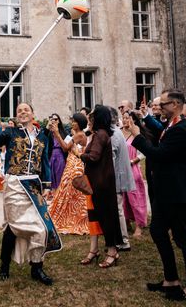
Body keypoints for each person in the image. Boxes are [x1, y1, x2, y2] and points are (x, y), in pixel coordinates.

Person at [128, 89, 186, 301]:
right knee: (159, 231)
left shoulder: (181, 130)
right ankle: (171, 279)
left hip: (178, 193)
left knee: (184, 239)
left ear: (176, 105)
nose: (160, 107)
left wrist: (137, 136)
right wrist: (145, 120)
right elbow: (161, 130)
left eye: (164, 104)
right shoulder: (172, 125)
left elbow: (159, 154)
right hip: (165, 192)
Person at [0, 103, 61, 285]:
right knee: (13, 227)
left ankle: (36, 267)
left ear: (33, 114)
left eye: (26, 110)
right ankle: (4, 265)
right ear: (16, 116)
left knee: (42, 226)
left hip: (34, 187)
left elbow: (45, 161)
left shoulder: (42, 137)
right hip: (14, 184)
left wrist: (47, 185)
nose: (23, 112)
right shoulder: (11, 132)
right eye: (19, 111)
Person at [80, 105, 122, 268]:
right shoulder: (102, 134)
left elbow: (93, 157)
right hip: (102, 181)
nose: (90, 119)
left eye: (92, 117)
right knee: (101, 216)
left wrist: (81, 155)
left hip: (101, 183)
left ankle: (112, 251)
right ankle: (96, 250)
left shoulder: (100, 135)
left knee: (106, 217)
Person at [48, 113, 89, 236]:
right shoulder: (77, 134)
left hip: (75, 166)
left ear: (79, 123)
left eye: (74, 121)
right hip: (72, 164)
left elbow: (65, 147)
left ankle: (70, 217)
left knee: (69, 191)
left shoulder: (80, 135)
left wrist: (56, 133)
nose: (72, 123)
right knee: (68, 192)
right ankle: (70, 215)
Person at [109, 107, 135, 252]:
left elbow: (111, 159)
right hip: (119, 176)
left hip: (116, 177)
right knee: (118, 209)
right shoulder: (116, 131)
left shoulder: (113, 133)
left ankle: (123, 241)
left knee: (118, 210)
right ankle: (120, 239)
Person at [121, 111, 148, 238]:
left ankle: (139, 225)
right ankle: (126, 222)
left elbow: (143, 153)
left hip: (133, 168)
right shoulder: (119, 133)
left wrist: (132, 161)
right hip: (121, 170)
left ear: (134, 120)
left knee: (135, 197)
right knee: (124, 198)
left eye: (128, 118)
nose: (125, 120)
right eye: (124, 118)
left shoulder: (137, 134)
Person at [46, 113, 68, 196]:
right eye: (52, 119)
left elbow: (67, 146)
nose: (54, 121)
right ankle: (55, 199)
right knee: (52, 179)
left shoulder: (63, 132)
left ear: (59, 121)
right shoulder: (49, 133)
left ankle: (60, 198)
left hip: (60, 157)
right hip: (51, 157)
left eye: (56, 119)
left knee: (60, 177)